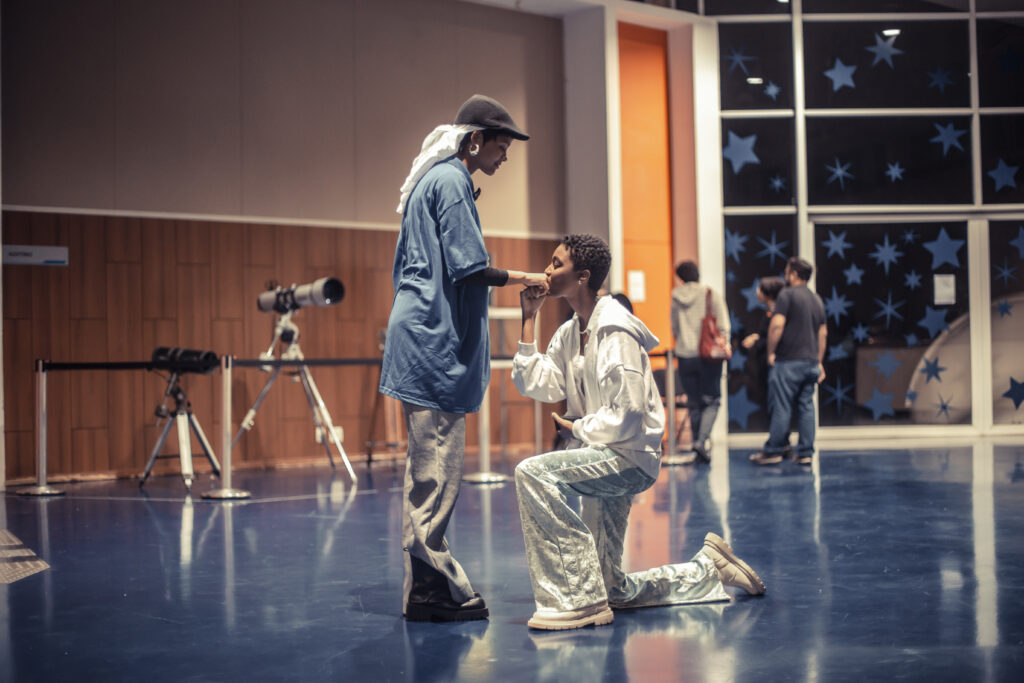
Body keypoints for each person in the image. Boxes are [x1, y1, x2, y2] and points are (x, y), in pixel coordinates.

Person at [512, 235, 765, 631]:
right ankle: (708, 569)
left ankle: (578, 600)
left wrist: (577, 427)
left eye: (555, 264)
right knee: (612, 587)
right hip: (599, 454)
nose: (546, 271)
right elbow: (541, 386)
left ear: (582, 277)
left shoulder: (615, 330)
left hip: (628, 458)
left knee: (534, 473)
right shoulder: (570, 331)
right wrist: (529, 318)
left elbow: (629, 414)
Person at [380, 94, 548, 622]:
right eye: (502, 146)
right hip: (432, 343)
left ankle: (428, 587)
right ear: (475, 140)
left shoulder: (436, 180)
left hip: (426, 337)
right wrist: (526, 277)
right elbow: (469, 268)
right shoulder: (451, 181)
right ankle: (428, 593)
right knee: (435, 469)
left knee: (431, 469)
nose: (504, 157)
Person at [749, 257, 827, 467]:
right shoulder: (816, 299)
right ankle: (805, 452)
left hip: (788, 362)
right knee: (806, 407)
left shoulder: (787, 295)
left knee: (781, 406)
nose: (785, 275)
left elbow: (777, 325)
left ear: (793, 274)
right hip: (810, 362)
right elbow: (823, 333)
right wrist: (818, 361)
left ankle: (774, 450)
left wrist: (771, 352)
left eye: (787, 271)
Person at [670, 260, 731, 463]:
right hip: (708, 355)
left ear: (680, 277)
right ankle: (701, 442)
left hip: (685, 354)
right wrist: (725, 343)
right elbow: (722, 324)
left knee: (694, 403)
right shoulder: (710, 294)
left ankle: (697, 442)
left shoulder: (676, 297)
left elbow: (674, 327)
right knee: (712, 401)